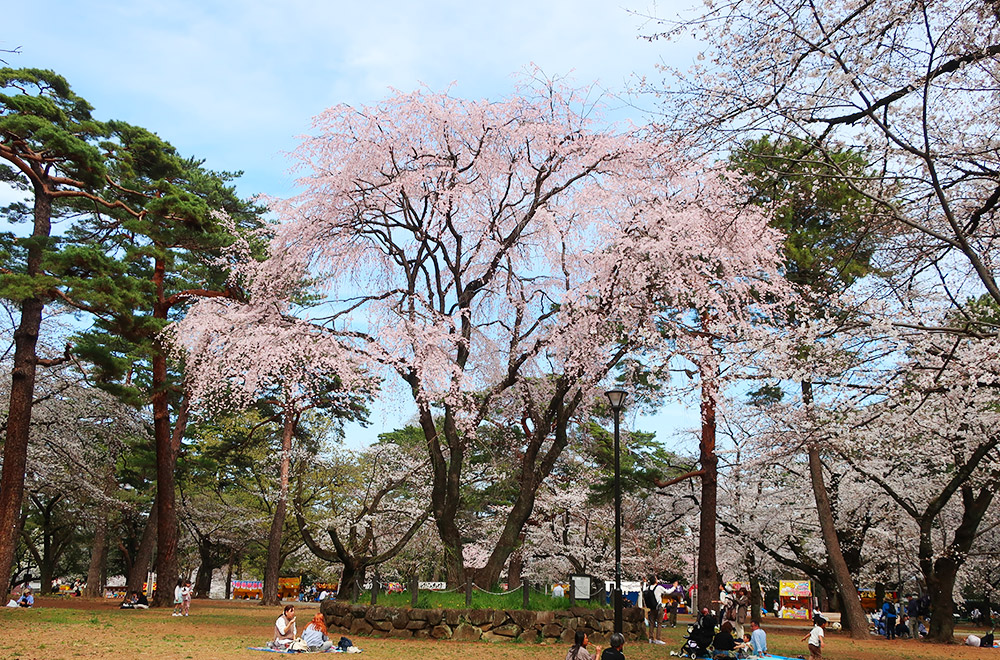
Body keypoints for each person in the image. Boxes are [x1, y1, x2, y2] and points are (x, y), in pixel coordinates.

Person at [643, 575, 667, 644]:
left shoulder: (648, 587)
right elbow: (667, 591)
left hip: (652, 608)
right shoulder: (659, 587)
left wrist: (644, 582)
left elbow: (644, 590)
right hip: (659, 607)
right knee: (659, 623)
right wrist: (674, 587)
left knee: (652, 623)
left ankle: (651, 638)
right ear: (655, 580)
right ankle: (658, 639)